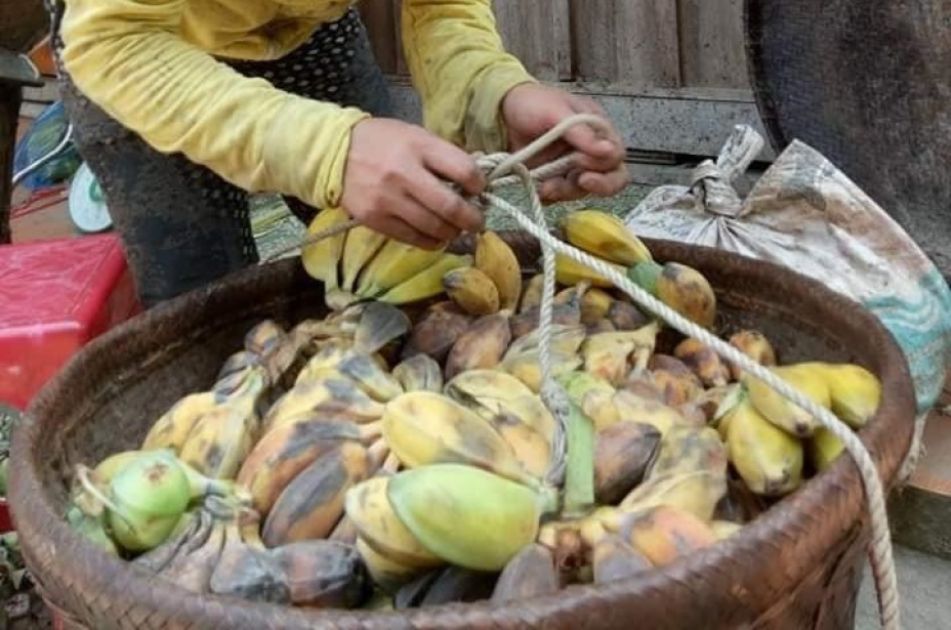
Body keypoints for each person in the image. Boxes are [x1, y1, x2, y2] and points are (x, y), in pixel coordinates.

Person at [48, 0, 629, 307]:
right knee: (198, 300)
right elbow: (113, 40)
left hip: (310, 30)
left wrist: (490, 91)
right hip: (136, 51)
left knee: (411, 252)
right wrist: (329, 150)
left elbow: (442, 8)